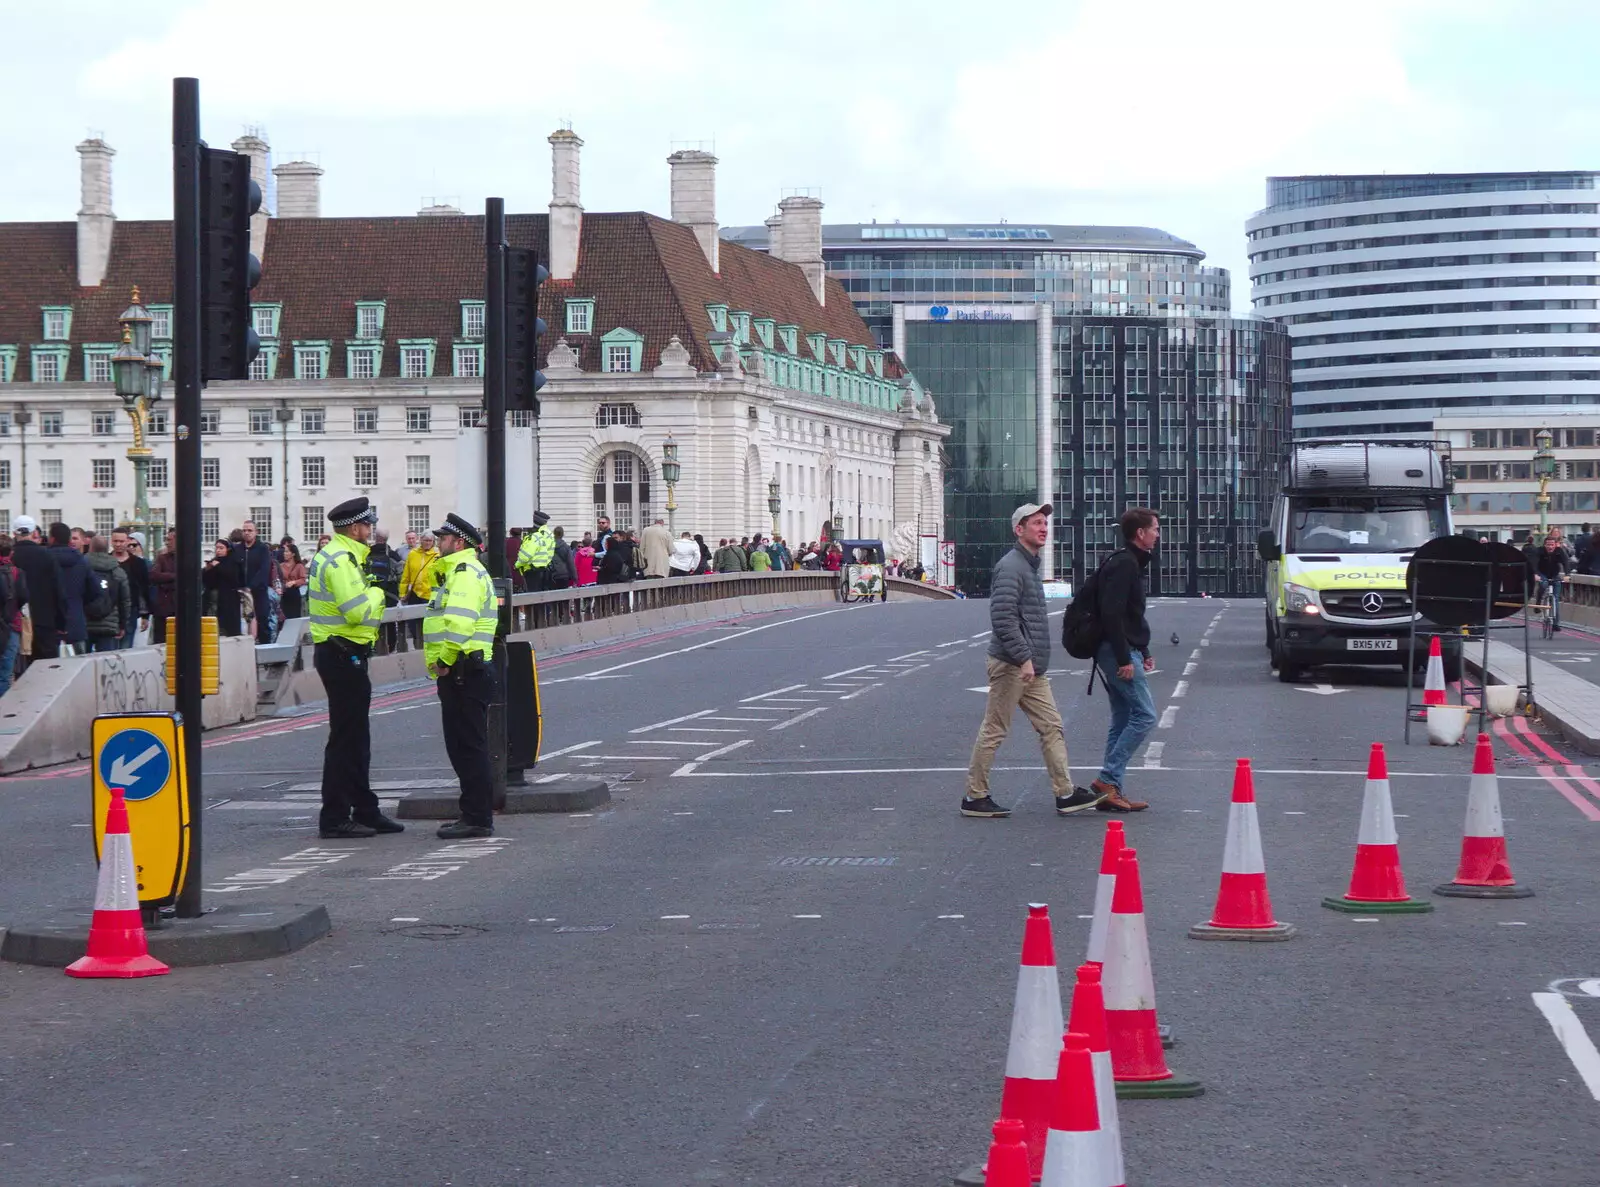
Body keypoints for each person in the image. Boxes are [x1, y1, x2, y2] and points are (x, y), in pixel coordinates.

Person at [962, 503, 1102, 819]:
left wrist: (1030, 662)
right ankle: (974, 796)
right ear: (1018, 530)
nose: (1043, 528)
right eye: (1036, 523)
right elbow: (1003, 618)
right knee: (995, 728)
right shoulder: (1011, 567)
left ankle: (1065, 793)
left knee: (1051, 725)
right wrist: (1024, 658)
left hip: (1029, 669)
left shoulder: (1028, 566)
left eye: (1044, 523)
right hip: (1013, 665)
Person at [307, 499, 401, 839]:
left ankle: (365, 808)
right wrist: (380, 591)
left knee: (356, 738)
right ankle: (334, 817)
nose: (370, 530)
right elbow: (357, 612)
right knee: (346, 740)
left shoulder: (340, 555)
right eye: (367, 525)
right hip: (341, 654)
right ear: (354, 528)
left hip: (344, 653)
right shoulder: (342, 561)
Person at [425, 513, 499, 839]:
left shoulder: (465, 574)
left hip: (463, 670)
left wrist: (443, 660)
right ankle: (472, 813)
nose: (438, 543)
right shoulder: (457, 573)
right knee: (463, 746)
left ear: (458, 543)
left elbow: (459, 625)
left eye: (443, 539)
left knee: (468, 747)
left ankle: (477, 818)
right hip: (463, 670)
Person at [1091, 507, 1161, 812]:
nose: (1158, 534)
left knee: (1122, 717)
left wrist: (1143, 651)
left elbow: (1131, 616)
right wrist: (1125, 658)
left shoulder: (1131, 561)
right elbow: (1112, 613)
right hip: (1115, 650)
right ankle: (1108, 779)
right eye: (1155, 529)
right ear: (1141, 534)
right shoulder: (1125, 564)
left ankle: (1111, 791)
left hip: (1122, 648)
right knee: (1145, 715)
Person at [11, 517, 62, 660]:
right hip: (44, 619)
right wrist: (61, 621)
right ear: (34, 532)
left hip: (14, 620)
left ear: (14, 533)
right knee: (46, 668)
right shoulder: (47, 555)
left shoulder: (10, 556)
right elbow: (58, 590)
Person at [47, 522, 90, 656]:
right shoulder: (82, 561)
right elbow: (96, 590)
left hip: (49, 621)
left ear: (52, 538)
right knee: (80, 666)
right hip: (76, 619)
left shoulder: (44, 557)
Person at [84, 536, 131, 652]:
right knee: (106, 664)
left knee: (81, 662)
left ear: (90, 548)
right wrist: (123, 625)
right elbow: (125, 600)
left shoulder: (81, 567)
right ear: (107, 549)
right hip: (109, 624)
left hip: (84, 622)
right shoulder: (117, 570)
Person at [110, 527, 149, 649]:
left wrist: (145, 615)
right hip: (109, 611)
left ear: (127, 541)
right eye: (115, 541)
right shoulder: (106, 560)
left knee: (126, 647)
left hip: (130, 610)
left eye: (121, 541)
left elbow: (144, 588)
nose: (118, 544)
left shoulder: (138, 563)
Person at [365, 528, 403, 651]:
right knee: (390, 622)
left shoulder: (367, 554)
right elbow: (401, 575)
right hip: (390, 595)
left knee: (372, 621)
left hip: (370, 594)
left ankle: (374, 646)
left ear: (376, 538)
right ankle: (391, 646)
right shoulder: (394, 555)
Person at [237, 521, 275, 644]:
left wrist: (251, 586)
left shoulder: (262, 548)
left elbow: (264, 569)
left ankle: (266, 651)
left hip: (259, 591)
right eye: (244, 530)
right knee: (243, 622)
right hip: (241, 592)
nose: (246, 533)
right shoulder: (238, 549)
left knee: (262, 619)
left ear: (256, 532)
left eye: (250, 530)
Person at [400, 532, 439, 646]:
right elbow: (406, 575)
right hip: (414, 593)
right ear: (420, 540)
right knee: (412, 622)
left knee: (428, 623)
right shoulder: (413, 554)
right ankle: (418, 642)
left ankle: (427, 643)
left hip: (430, 594)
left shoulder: (437, 555)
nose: (427, 543)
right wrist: (402, 592)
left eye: (429, 541)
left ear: (433, 542)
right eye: (425, 540)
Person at [0, 536, 27, 695]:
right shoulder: (17, 572)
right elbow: (24, 596)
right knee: (5, 672)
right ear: (11, 552)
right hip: (11, 624)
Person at [202, 538, 246, 637]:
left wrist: (219, 567)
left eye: (221, 548)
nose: (218, 550)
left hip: (229, 599)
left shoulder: (234, 561)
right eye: (217, 548)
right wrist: (208, 570)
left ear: (228, 549)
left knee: (229, 628)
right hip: (214, 600)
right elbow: (207, 581)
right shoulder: (214, 561)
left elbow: (234, 578)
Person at [1533, 531, 1574, 630]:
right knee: (1543, 584)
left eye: (1552, 545)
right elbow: (1533, 563)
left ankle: (1556, 624)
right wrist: (1535, 574)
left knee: (1555, 599)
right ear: (1544, 545)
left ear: (1556, 545)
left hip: (1555, 575)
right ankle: (1538, 602)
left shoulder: (1560, 551)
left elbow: (1566, 562)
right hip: (1542, 573)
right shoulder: (1539, 551)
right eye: (1548, 545)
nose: (1550, 547)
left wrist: (1567, 575)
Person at [148, 529, 178, 645]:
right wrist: (174, 576)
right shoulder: (162, 558)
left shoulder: (188, 558)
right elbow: (154, 576)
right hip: (164, 609)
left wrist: (165, 579)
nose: (167, 543)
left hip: (180, 608)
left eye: (169, 540)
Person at [516, 511, 556, 591]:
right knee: (540, 598)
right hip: (544, 569)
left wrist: (517, 565)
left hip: (532, 570)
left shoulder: (535, 536)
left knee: (532, 597)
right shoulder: (549, 534)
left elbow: (526, 556)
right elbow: (549, 553)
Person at [278, 541, 308, 622]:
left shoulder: (299, 566)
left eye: (287, 551)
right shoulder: (281, 566)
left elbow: (303, 579)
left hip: (294, 594)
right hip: (283, 594)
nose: (284, 553)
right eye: (284, 551)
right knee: (283, 618)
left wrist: (294, 582)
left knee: (294, 618)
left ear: (293, 554)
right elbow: (277, 579)